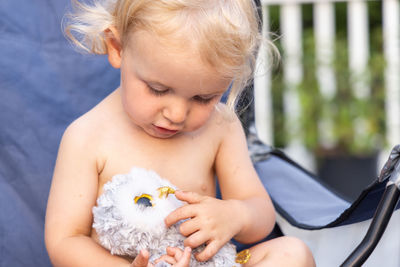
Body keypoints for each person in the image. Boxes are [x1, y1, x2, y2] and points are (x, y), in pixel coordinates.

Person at [45, 0, 316, 266]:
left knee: (293, 253)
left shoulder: (221, 127)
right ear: (117, 48)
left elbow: (260, 212)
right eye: (158, 89)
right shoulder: (87, 137)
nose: (176, 115)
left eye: (202, 98)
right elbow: (65, 240)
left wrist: (236, 214)